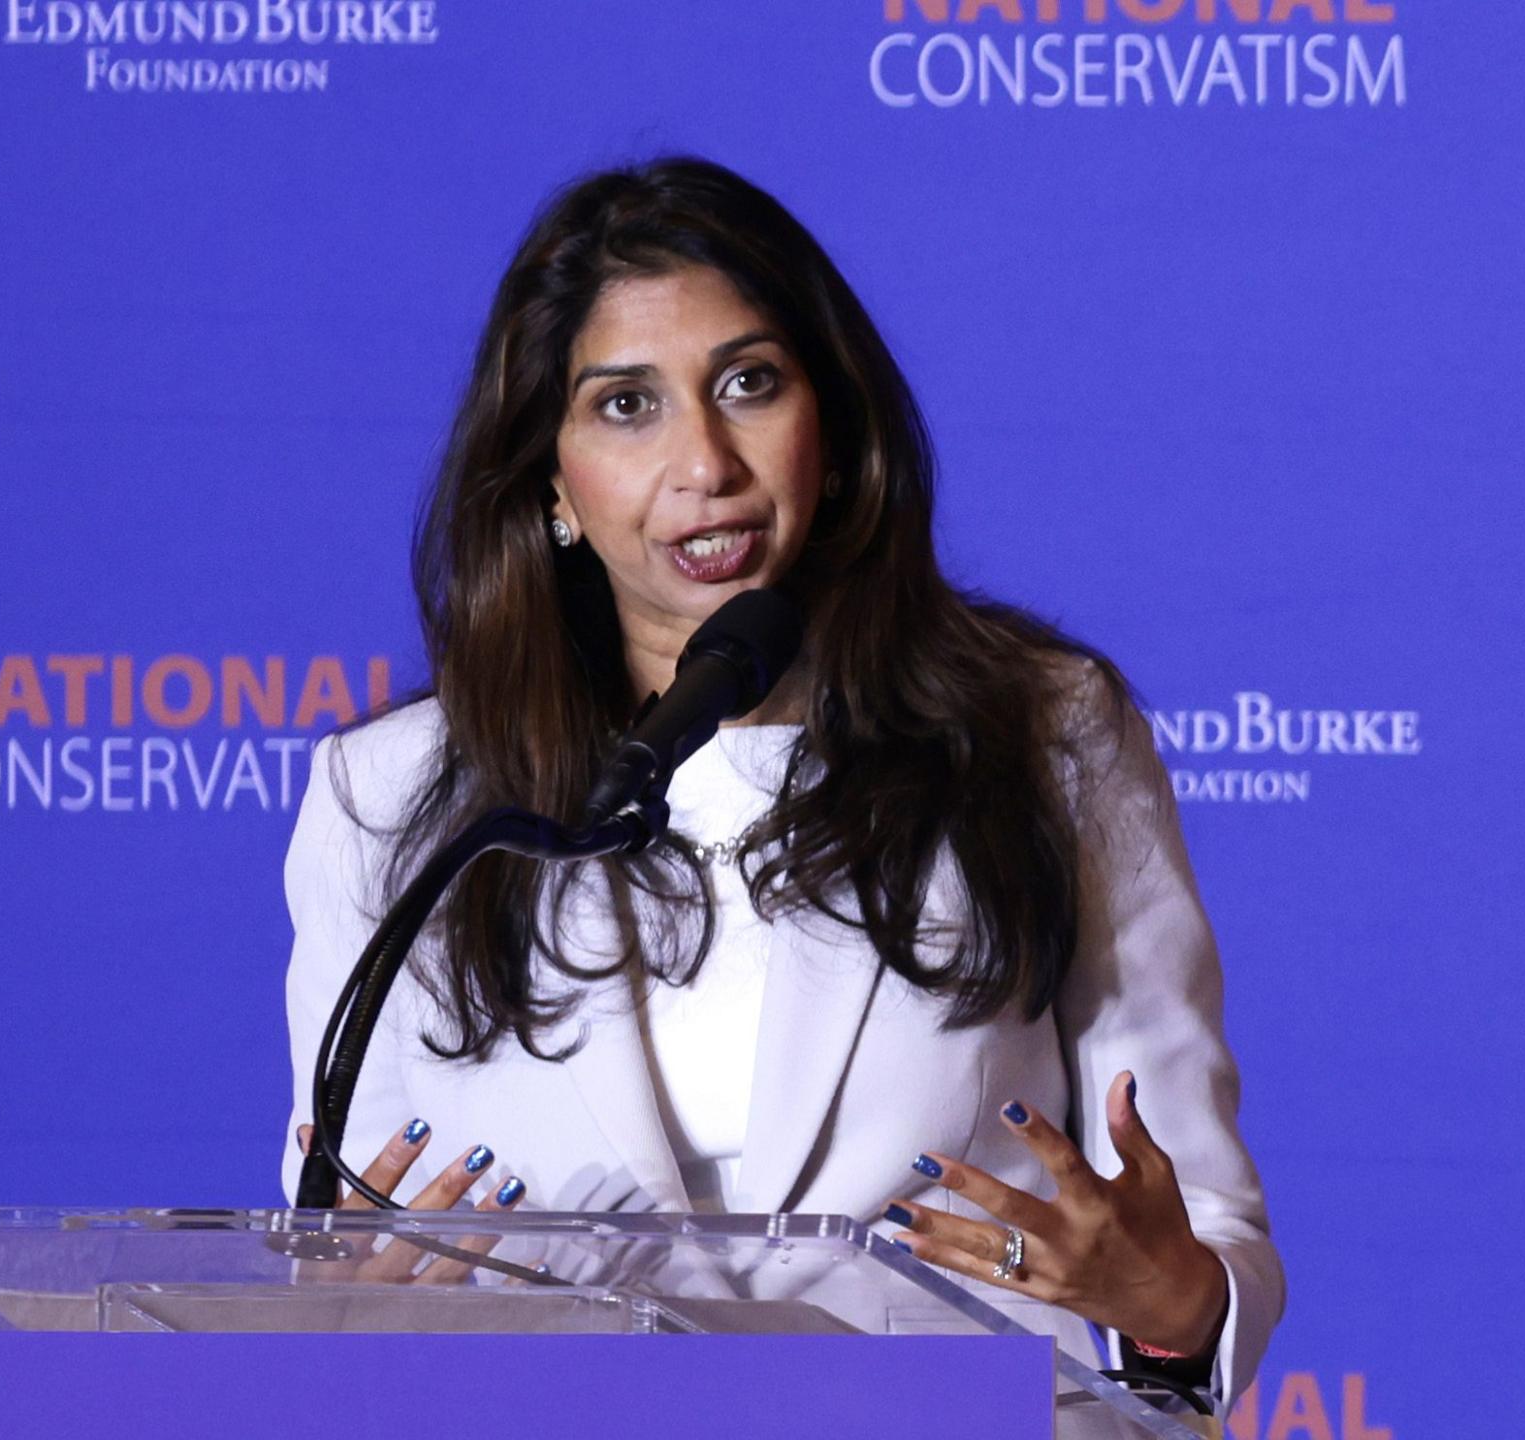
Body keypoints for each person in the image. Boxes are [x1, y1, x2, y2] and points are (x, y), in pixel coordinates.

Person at [280, 156, 1282, 1408]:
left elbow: (1199, 1247)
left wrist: (1168, 1305)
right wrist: (329, 1334)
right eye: (626, 406)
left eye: (747, 385)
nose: (704, 461)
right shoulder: (392, 802)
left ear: (833, 419)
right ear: (550, 481)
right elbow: (346, 1252)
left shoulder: (1041, 734)